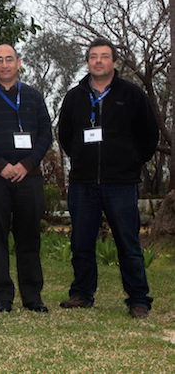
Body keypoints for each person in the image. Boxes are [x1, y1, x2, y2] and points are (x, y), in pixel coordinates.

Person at [57, 37, 158, 319]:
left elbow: (149, 135)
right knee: (81, 242)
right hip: (83, 183)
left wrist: (130, 163)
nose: (98, 61)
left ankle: (138, 299)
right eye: (93, 56)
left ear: (114, 62)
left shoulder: (132, 95)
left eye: (104, 56)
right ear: (87, 62)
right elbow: (65, 136)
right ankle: (81, 294)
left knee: (128, 242)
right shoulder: (75, 96)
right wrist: (80, 158)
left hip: (121, 183)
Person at [0, 44, 52, 313]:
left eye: (9, 59)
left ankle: (32, 297)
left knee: (29, 238)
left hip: (29, 178)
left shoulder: (34, 96)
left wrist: (26, 165)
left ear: (19, 63)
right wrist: (0, 165)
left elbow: (45, 136)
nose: (4, 64)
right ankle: (2, 297)